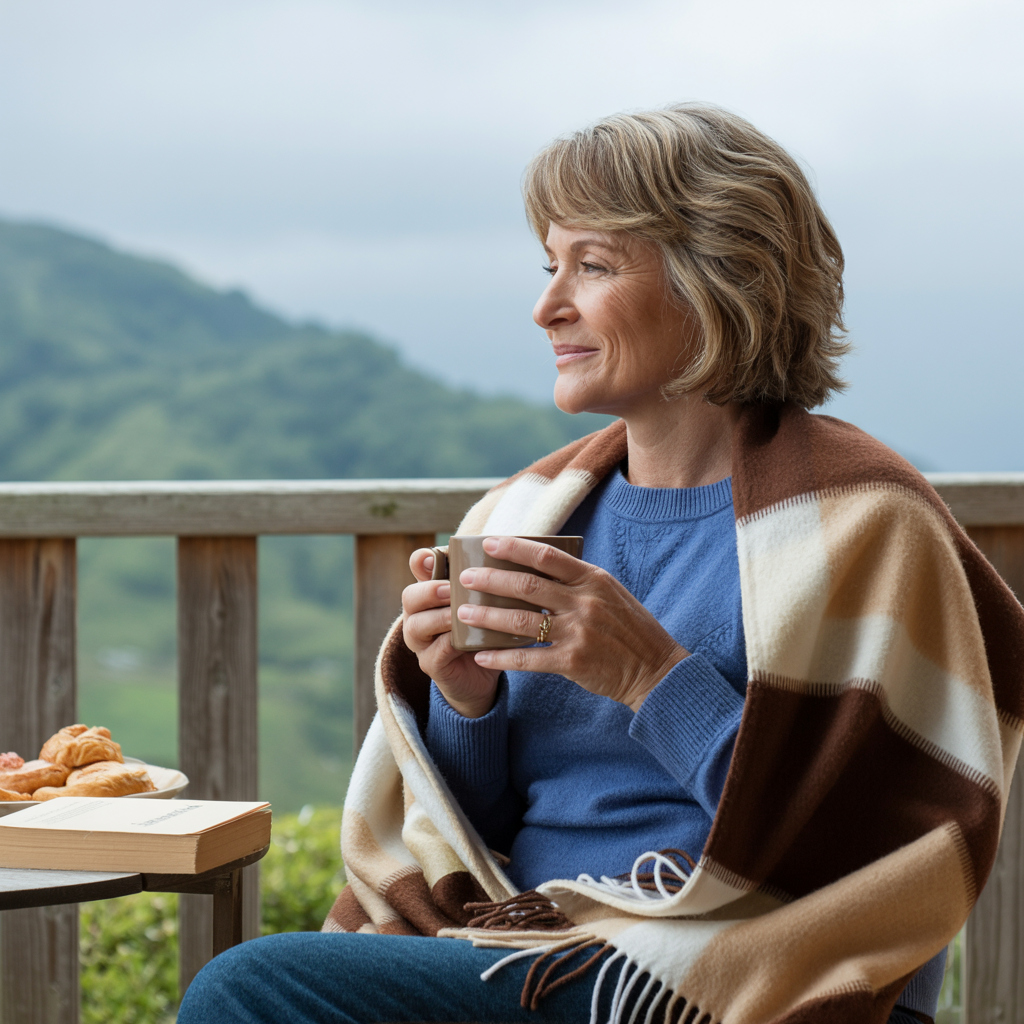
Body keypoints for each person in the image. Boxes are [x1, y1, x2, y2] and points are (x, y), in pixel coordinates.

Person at [179, 104, 1022, 1024]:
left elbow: (872, 846)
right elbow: (471, 837)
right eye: (551, 266)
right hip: (533, 951)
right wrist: (466, 703)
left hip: (729, 971)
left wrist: (653, 679)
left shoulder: (863, 523)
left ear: (719, 277)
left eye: (593, 264)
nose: (548, 306)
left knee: (254, 988)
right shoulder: (523, 513)